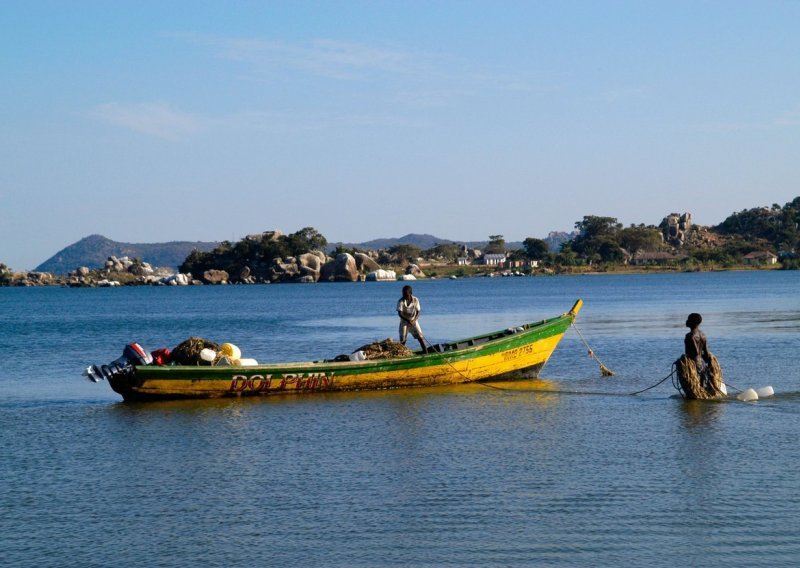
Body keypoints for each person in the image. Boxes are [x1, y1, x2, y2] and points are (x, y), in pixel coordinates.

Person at [397, 285, 427, 353]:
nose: (404, 295)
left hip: (414, 321)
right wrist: (408, 320)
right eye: (403, 293)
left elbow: (418, 311)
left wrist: (414, 320)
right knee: (403, 340)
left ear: (410, 293)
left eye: (406, 294)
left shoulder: (415, 300)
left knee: (420, 338)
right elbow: (400, 313)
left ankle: (426, 353)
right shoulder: (401, 301)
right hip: (404, 322)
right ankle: (402, 354)